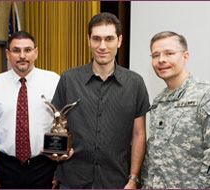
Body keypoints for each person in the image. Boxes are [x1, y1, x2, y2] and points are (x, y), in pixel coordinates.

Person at [50, 12, 150, 189]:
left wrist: (133, 179)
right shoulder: (69, 79)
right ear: (89, 40)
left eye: (109, 39)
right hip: (73, 181)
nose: (102, 46)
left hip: (116, 182)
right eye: (96, 38)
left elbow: (139, 134)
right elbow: (57, 125)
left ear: (119, 41)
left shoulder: (135, 83)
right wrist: (56, 151)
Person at [141, 31, 210, 188]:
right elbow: (153, 156)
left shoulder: (209, 96)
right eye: (155, 55)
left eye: (169, 53)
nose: (161, 59)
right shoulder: (159, 101)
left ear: (185, 56)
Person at [0, 31, 60, 188]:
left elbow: (64, 127)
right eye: (16, 50)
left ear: (36, 52)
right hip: (6, 167)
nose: (22, 56)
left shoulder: (53, 81)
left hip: (44, 166)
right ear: (7, 54)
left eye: (27, 50)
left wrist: (60, 171)